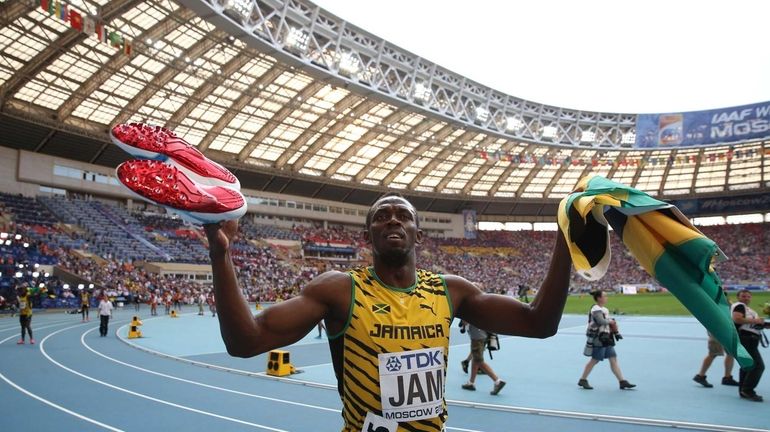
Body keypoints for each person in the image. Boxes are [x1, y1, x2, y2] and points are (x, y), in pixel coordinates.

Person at [203, 193, 573, 431]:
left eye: (403, 216)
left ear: (418, 234)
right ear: (367, 236)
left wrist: (566, 238)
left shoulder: (450, 290)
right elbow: (245, 341)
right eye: (382, 216)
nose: (393, 220)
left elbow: (538, 323)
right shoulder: (340, 289)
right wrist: (221, 255)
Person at [578, 290, 635, 390]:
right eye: (604, 296)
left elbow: (607, 323)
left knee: (613, 358)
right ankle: (583, 379)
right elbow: (601, 321)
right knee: (594, 360)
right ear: (599, 298)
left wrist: (616, 332)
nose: (606, 298)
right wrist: (611, 321)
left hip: (606, 337)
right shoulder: (595, 309)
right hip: (598, 338)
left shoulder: (604, 309)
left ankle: (622, 381)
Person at [731, 289, 766, 401]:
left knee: (747, 365)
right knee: (757, 366)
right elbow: (737, 319)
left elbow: (749, 323)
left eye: (748, 296)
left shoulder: (746, 309)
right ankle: (748, 390)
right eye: (743, 296)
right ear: (738, 297)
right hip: (746, 338)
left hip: (748, 338)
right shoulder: (740, 306)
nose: (746, 298)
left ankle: (743, 390)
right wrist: (756, 321)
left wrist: (762, 324)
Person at [459, 320, 505, 395]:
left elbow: (465, 322)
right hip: (484, 334)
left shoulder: (470, 309)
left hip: (477, 336)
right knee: (475, 358)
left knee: (479, 361)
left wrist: (462, 321)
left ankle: (497, 381)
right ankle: (471, 383)